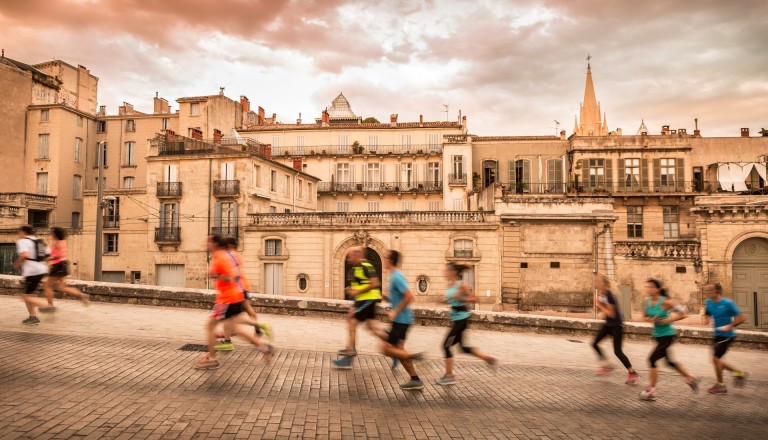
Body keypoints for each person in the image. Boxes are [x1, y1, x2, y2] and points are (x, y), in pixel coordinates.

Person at [194, 235, 273, 369]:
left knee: (210, 327)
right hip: (235, 296)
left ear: (216, 244)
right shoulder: (228, 256)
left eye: (208, 242)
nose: (206, 244)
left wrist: (214, 275)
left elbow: (229, 278)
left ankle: (212, 359)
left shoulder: (219, 257)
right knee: (236, 328)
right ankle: (264, 346)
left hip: (226, 299)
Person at [639, 278, 700, 401]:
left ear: (658, 289)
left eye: (651, 287)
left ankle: (651, 390)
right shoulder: (647, 301)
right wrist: (651, 320)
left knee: (652, 359)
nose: (648, 289)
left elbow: (683, 313)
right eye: (647, 287)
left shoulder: (666, 302)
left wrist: (668, 320)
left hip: (668, 335)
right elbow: (645, 317)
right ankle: (690, 377)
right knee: (669, 362)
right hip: (657, 335)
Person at [436, 263, 497, 385]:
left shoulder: (461, 285)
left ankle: (449, 375)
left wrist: (462, 299)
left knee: (446, 345)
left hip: (461, 320)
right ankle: (488, 359)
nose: (444, 272)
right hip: (457, 320)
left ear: (453, 272)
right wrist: (443, 300)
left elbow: (474, 299)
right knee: (463, 348)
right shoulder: (450, 286)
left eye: (446, 270)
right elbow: (451, 300)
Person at [333, 246, 387, 369]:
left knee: (351, 322)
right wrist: (352, 289)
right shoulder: (357, 267)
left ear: (357, 255)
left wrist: (357, 292)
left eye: (350, 256)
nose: (348, 259)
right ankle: (395, 348)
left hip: (367, 300)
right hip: (362, 300)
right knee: (372, 329)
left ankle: (349, 356)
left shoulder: (365, 266)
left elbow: (375, 283)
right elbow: (362, 283)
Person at [214, 237, 272, 351]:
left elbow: (229, 274)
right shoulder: (237, 255)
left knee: (232, 316)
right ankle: (230, 337)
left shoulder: (229, 255)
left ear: (229, 246)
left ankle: (229, 339)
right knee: (236, 315)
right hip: (242, 287)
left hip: (237, 288)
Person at [377, 250, 424, 390]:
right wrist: (385, 297)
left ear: (390, 261)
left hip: (401, 320)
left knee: (385, 348)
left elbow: (409, 296)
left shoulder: (396, 276)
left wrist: (395, 311)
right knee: (399, 350)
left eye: (385, 258)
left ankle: (416, 356)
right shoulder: (394, 276)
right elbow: (399, 298)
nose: (383, 260)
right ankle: (415, 380)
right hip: (402, 320)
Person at [591, 274, 639, 384]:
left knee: (618, 351)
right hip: (608, 324)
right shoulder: (602, 294)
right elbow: (602, 310)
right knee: (594, 343)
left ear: (602, 283)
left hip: (616, 325)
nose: (594, 282)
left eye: (596, 280)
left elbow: (611, 314)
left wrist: (599, 304)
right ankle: (607, 365)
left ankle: (632, 373)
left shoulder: (609, 295)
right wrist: (598, 306)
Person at [703, 282, 748, 394]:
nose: (706, 293)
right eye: (706, 290)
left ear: (717, 291)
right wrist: (707, 318)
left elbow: (742, 318)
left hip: (727, 336)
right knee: (715, 360)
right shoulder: (708, 302)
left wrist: (731, 325)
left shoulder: (728, 303)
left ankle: (721, 386)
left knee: (715, 359)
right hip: (717, 335)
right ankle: (738, 374)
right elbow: (707, 312)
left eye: (709, 290)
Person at [42, 227, 90, 310]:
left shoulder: (56, 243)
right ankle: (81, 295)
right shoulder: (63, 242)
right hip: (63, 264)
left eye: (52, 233)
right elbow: (62, 255)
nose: (51, 234)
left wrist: (48, 259)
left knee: (47, 285)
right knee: (62, 287)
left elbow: (58, 255)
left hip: (58, 266)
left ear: (55, 234)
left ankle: (50, 305)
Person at [13, 225, 50, 325]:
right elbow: (47, 257)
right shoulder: (40, 241)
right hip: (41, 269)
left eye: (19, 231)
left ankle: (45, 306)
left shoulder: (22, 241)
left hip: (31, 271)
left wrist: (17, 263)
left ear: (23, 232)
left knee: (25, 296)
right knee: (30, 294)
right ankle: (32, 317)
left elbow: (25, 254)